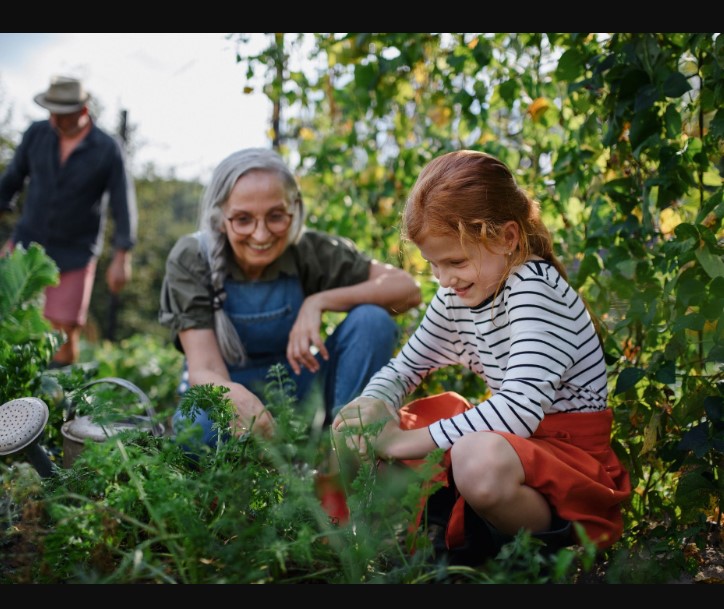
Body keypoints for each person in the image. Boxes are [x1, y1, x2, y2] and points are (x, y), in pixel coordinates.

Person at [332, 150, 631, 560]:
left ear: (507, 238)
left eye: (454, 261)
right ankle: (384, 541)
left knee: (477, 458)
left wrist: (399, 442)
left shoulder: (533, 287)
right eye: (433, 265)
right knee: (355, 419)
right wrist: (374, 405)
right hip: (514, 445)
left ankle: (542, 554)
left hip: (566, 460)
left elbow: (518, 411)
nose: (444, 279)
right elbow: (406, 367)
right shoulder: (458, 293)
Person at [159, 147, 422, 448]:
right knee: (201, 435)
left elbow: (406, 289)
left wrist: (318, 302)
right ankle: (270, 460)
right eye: (243, 220)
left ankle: (345, 447)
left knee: (372, 320)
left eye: (276, 217)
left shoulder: (307, 250)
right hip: (222, 391)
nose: (261, 235)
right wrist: (240, 402)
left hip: (300, 392)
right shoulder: (192, 257)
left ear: (294, 209)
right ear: (220, 217)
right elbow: (204, 369)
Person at [0, 75, 137, 366]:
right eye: (51, 112)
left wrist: (121, 256)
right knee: (6, 314)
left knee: (61, 334)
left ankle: (57, 399)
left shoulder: (106, 148)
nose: (54, 120)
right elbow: (12, 179)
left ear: (83, 112)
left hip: (74, 252)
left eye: (62, 115)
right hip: (27, 242)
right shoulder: (37, 134)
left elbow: (123, 202)